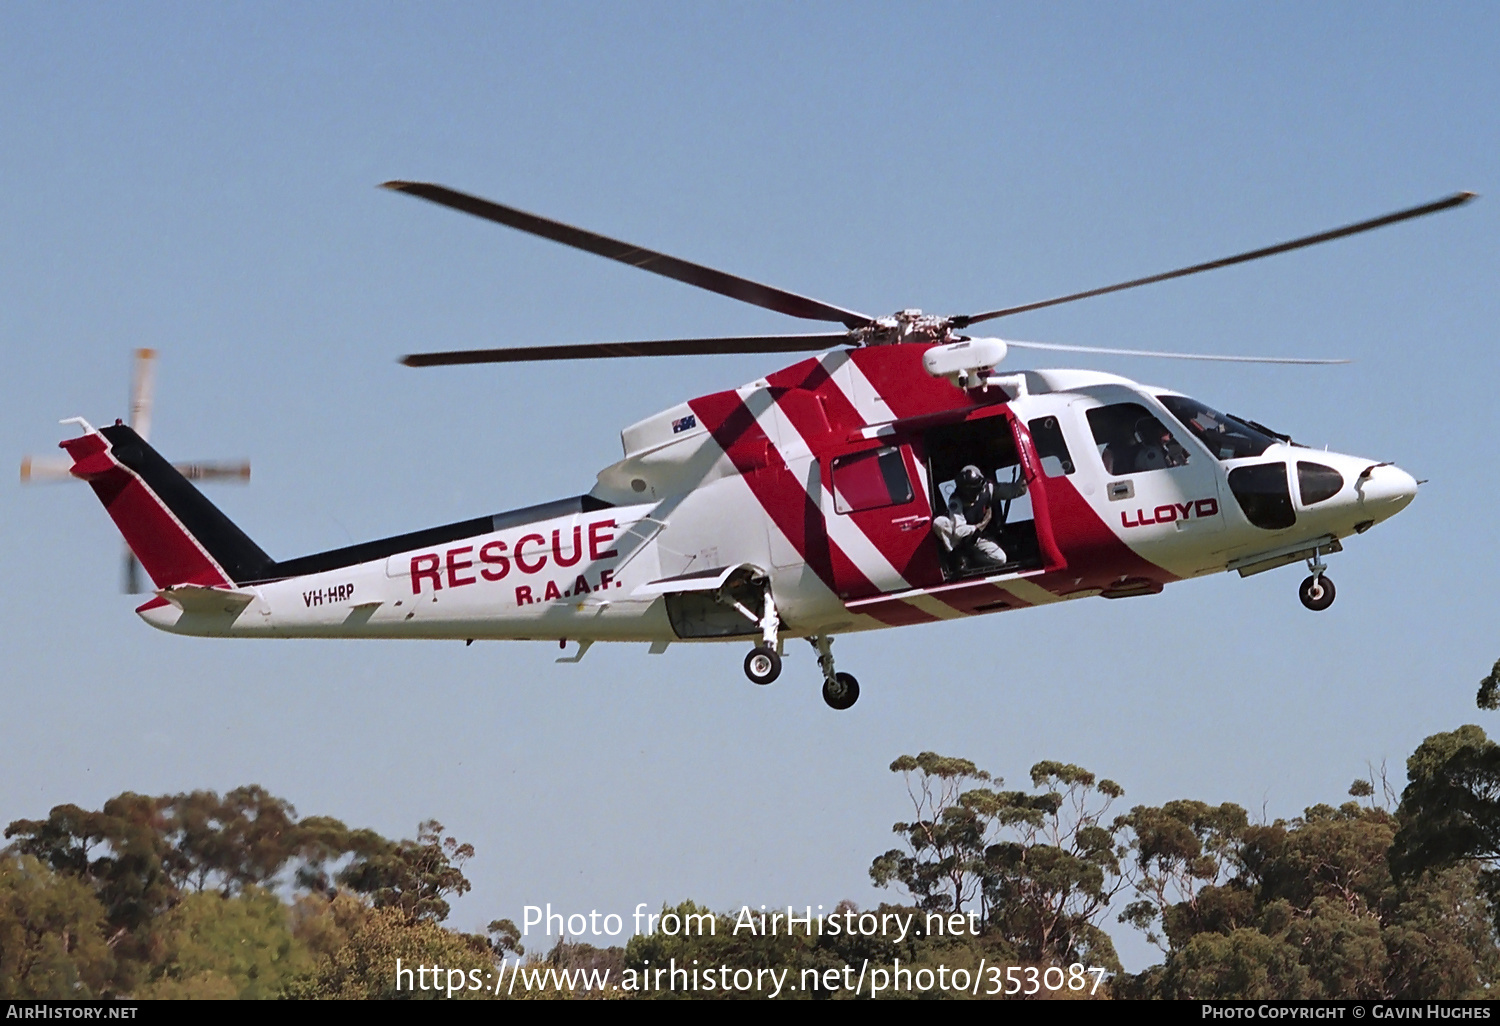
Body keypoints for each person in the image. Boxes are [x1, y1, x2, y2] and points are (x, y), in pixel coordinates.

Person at [932, 465, 1026, 572]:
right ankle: (955, 558)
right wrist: (981, 525)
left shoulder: (988, 489)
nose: (969, 496)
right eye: (965, 492)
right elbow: (959, 531)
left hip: (978, 539)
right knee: (939, 523)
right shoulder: (955, 500)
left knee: (1000, 558)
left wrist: (1024, 476)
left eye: (972, 492)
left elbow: (1015, 490)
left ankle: (972, 561)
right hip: (960, 541)